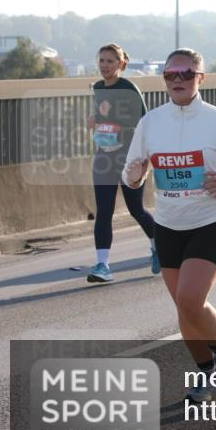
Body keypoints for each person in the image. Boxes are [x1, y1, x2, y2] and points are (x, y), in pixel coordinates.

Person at [122, 48, 216, 402]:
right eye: (171, 75)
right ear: (164, 79)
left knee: (190, 299)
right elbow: (131, 172)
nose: (178, 80)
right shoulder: (151, 122)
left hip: (209, 221)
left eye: (186, 74)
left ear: (201, 78)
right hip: (168, 225)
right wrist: (134, 177)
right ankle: (206, 373)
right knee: (184, 309)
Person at [86, 43, 158, 283]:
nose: (105, 66)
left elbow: (144, 123)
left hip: (128, 157)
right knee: (103, 212)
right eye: (102, 61)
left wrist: (143, 160)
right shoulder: (97, 87)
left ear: (121, 65)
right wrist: (96, 119)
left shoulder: (128, 88)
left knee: (136, 209)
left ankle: (159, 247)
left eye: (110, 61)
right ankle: (102, 266)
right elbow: (103, 117)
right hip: (104, 157)